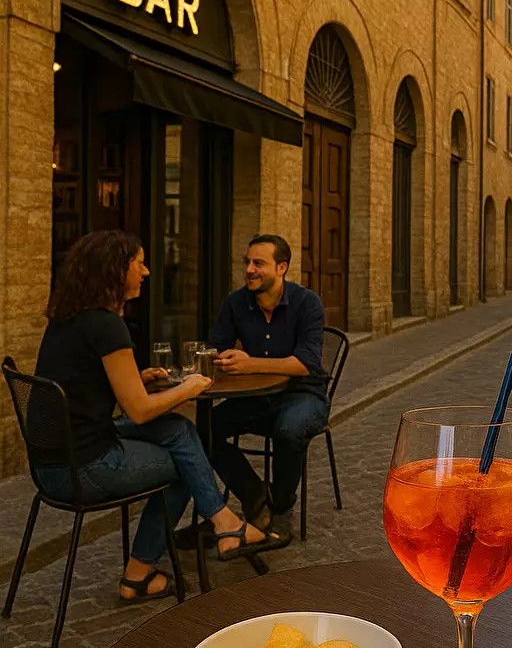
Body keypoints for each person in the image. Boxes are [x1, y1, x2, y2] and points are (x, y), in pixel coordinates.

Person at [33, 230, 286, 604]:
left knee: (180, 431)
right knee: (182, 463)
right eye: (139, 262)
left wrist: (138, 377)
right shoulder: (107, 325)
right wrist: (190, 387)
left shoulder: (69, 318)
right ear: (116, 270)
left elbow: (87, 383)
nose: (147, 271)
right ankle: (143, 571)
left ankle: (225, 526)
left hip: (51, 460)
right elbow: (138, 411)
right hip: (83, 467)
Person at [210, 234, 329, 535]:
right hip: (254, 398)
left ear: (281, 268)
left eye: (258, 263)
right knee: (200, 428)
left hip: (303, 395)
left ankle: (281, 503)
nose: (249, 269)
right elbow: (215, 350)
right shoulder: (235, 302)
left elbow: (306, 363)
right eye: (247, 262)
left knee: (288, 430)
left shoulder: (307, 303)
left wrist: (249, 363)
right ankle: (253, 493)